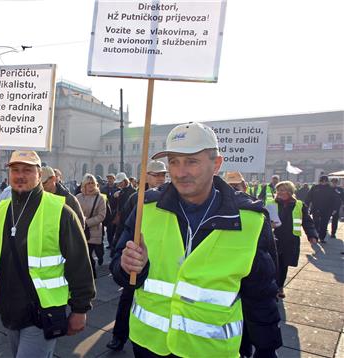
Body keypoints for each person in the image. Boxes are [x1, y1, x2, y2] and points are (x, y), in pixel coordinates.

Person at [112, 122, 282, 357]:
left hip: (212, 350)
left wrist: (266, 348)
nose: (180, 173)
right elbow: (119, 267)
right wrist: (129, 267)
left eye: (192, 161)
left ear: (216, 164)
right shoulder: (145, 207)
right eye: (174, 162)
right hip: (149, 345)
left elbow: (261, 294)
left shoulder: (250, 220)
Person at [0, 150, 95, 358]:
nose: (20, 175)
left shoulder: (61, 212)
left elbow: (80, 264)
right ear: (8, 174)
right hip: (9, 309)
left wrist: (80, 308)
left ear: (39, 174)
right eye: (15, 170)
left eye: (27, 170)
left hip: (42, 312)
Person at [106, 159, 168, 352]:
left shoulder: (170, 198)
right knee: (127, 299)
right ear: (146, 176)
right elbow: (125, 223)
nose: (160, 178)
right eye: (155, 174)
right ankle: (119, 336)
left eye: (162, 174)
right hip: (137, 259)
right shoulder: (137, 198)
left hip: (161, 260)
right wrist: (120, 249)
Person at [272, 181, 318, 299]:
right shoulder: (270, 204)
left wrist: (312, 235)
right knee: (273, 263)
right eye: (279, 190)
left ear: (290, 192)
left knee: (283, 264)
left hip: (290, 240)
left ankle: (280, 286)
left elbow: (307, 221)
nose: (280, 192)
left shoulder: (299, 205)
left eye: (283, 190)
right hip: (274, 238)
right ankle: (273, 286)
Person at [76, 173, 106, 277]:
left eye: (92, 183)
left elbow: (101, 216)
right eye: (88, 183)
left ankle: (92, 274)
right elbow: (74, 212)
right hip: (80, 230)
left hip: (93, 231)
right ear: (84, 185)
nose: (90, 185)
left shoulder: (100, 198)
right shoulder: (78, 197)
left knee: (88, 254)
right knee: (83, 254)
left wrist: (86, 222)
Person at [306, 175, 340, 242]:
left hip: (327, 209)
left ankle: (322, 237)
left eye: (325, 181)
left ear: (327, 181)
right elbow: (308, 197)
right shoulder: (315, 187)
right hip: (316, 208)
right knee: (316, 223)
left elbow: (335, 199)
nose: (323, 182)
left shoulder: (331, 189)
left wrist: (335, 209)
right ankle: (315, 236)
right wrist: (306, 206)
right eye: (322, 181)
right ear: (320, 181)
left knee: (324, 224)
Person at [111, 172, 135, 253]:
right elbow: (115, 205)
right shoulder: (121, 191)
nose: (119, 185)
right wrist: (114, 197)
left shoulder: (133, 192)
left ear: (125, 181)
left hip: (129, 220)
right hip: (121, 219)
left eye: (120, 183)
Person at [101, 174, 119, 249]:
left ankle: (114, 244)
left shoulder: (117, 188)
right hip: (107, 211)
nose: (109, 180)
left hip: (115, 211)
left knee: (115, 229)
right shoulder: (104, 188)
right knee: (109, 229)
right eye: (108, 178)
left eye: (111, 178)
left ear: (114, 179)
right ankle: (110, 243)